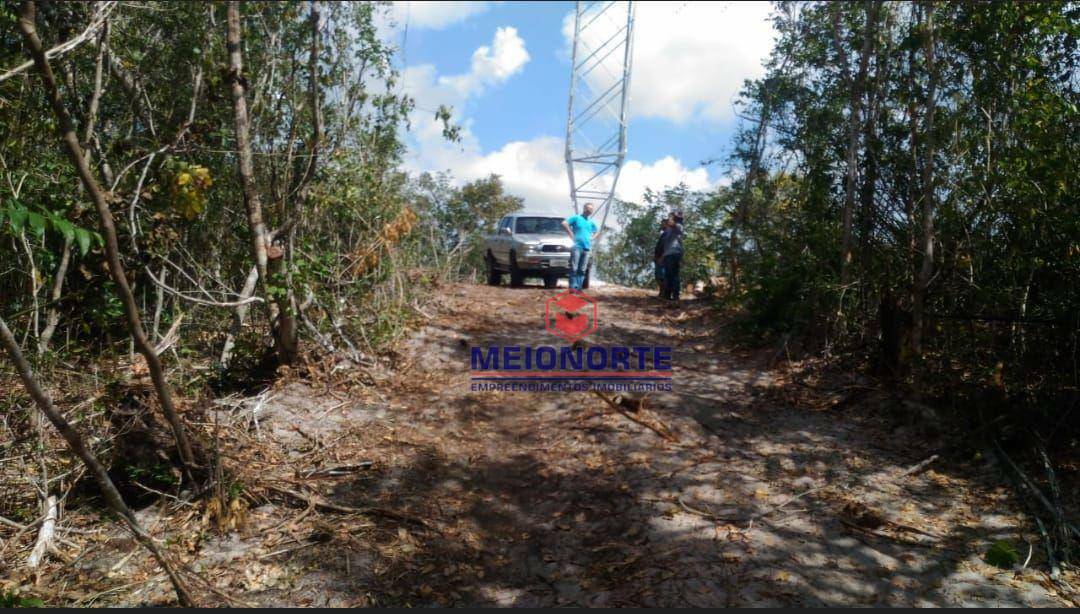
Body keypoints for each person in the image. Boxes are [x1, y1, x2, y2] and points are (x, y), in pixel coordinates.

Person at [562, 202, 600, 291]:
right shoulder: (576, 218)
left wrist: (592, 238)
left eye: (591, 209)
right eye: (588, 209)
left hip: (586, 248)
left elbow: (597, 231)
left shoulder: (591, 222)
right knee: (574, 268)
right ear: (584, 209)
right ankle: (572, 287)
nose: (589, 210)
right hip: (577, 247)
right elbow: (564, 223)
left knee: (582, 269)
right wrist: (571, 234)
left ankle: (578, 288)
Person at [659, 210, 684, 301]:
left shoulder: (678, 226)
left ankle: (675, 296)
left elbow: (672, 225)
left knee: (674, 275)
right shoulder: (668, 230)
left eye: (672, 217)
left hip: (675, 253)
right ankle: (667, 296)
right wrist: (662, 256)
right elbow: (666, 245)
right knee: (668, 275)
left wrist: (671, 216)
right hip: (668, 254)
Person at [653, 218, 670, 297]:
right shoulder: (664, 234)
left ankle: (664, 294)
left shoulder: (668, 234)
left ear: (667, 224)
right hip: (659, 258)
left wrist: (662, 258)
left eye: (662, 223)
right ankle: (661, 293)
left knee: (662, 277)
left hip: (663, 259)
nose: (661, 225)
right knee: (658, 276)